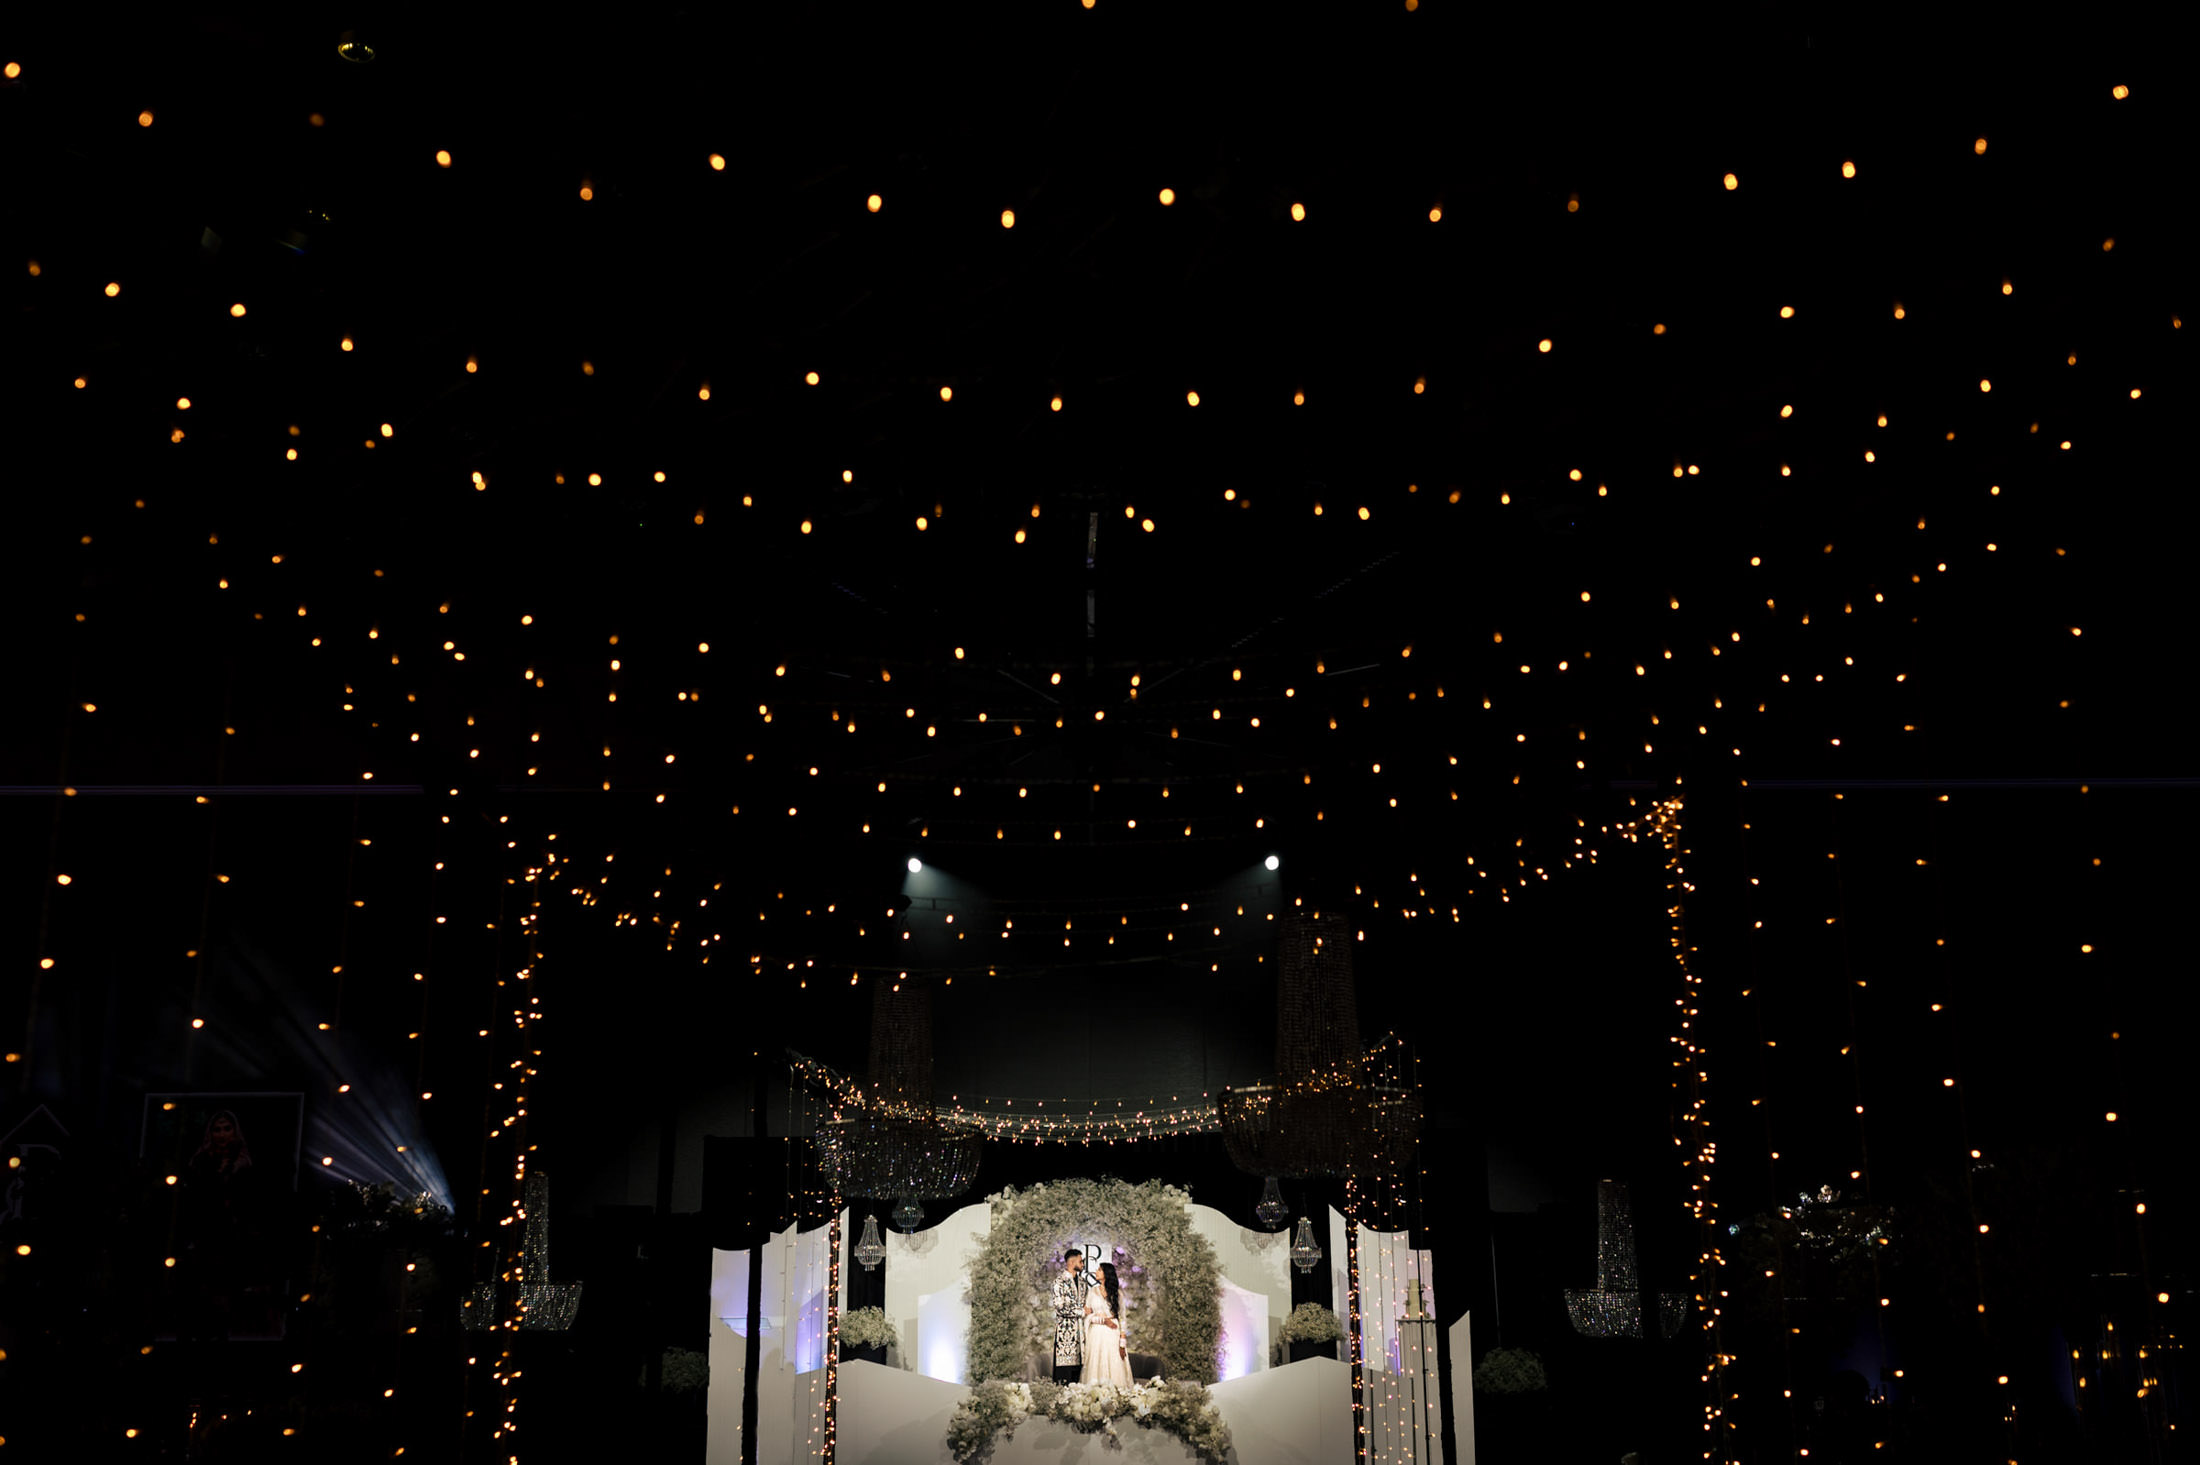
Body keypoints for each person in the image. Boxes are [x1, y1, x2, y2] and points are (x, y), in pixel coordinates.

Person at [1081, 1261, 1133, 1387]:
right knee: (1095, 1363)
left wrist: (1122, 1343)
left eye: (1099, 1270)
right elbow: (1087, 1315)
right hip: (1096, 1334)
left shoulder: (1117, 1294)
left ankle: (1116, 1392)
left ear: (1106, 1273)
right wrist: (1103, 1320)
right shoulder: (1092, 1292)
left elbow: (1122, 1318)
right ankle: (1095, 1393)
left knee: (1114, 1362)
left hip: (1112, 1333)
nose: (1096, 1272)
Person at [1051, 1245, 1093, 1383]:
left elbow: (1086, 1304)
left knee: (1079, 1376)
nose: (1083, 1264)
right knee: (1064, 1377)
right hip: (1065, 1337)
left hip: (1081, 1337)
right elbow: (1060, 1308)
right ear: (1071, 1262)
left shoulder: (1083, 1283)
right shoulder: (1059, 1282)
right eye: (1080, 1261)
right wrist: (1081, 1311)